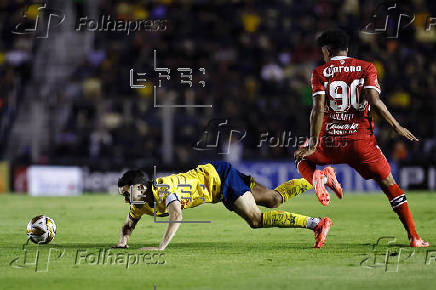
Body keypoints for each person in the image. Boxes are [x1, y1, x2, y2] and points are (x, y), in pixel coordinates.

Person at [294, 30, 429, 247]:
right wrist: (397, 126)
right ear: (346, 49)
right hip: (362, 144)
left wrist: (313, 142)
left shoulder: (320, 72)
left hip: (331, 142)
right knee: (390, 186)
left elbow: (318, 109)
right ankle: (414, 237)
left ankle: (318, 178)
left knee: (301, 156)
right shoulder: (367, 67)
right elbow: (375, 102)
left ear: (328, 51)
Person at [113, 161, 333, 250]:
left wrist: (161, 247)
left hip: (219, 179)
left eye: (126, 193)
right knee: (274, 199)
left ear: (140, 188)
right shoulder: (140, 203)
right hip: (218, 180)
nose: (125, 199)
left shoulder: (163, 188)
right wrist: (123, 243)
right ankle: (319, 179)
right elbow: (129, 224)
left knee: (255, 220)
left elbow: (176, 215)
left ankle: (316, 224)